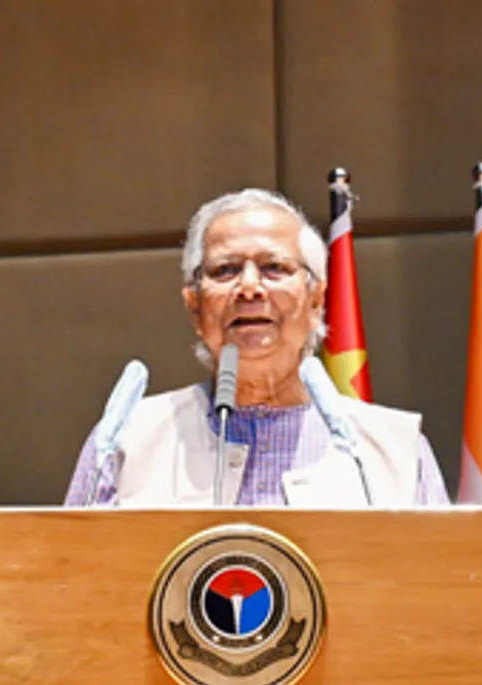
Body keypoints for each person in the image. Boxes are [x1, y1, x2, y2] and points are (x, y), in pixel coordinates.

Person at [65, 188, 448, 507]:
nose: (249, 287)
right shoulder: (126, 443)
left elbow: (444, 588)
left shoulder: (391, 451)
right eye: (225, 270)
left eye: (274, 268)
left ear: (316, 301)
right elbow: (66, 580)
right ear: (195, 308)